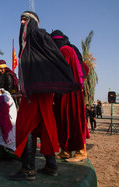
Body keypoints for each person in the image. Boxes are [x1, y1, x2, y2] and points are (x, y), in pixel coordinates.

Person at [9, 11, 80, 181]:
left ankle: (28, 168)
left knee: (26, 126)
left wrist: (33, 85)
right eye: (20, 19)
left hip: (35, 92)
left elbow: (47, 62)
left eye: (25, 19)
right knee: (45, 126)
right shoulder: (40, 38)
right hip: (42, 91)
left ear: (33, 22)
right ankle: (51, 165)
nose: (21, 22)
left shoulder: (37, 36)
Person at [51, 30, 90, 162]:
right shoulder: (68, 49)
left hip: (70, 94)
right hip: (64, 93)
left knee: (74, 120)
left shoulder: (65, 50)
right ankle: (66, 150)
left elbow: (60, 71)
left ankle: (81, 151)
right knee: (63, 121)